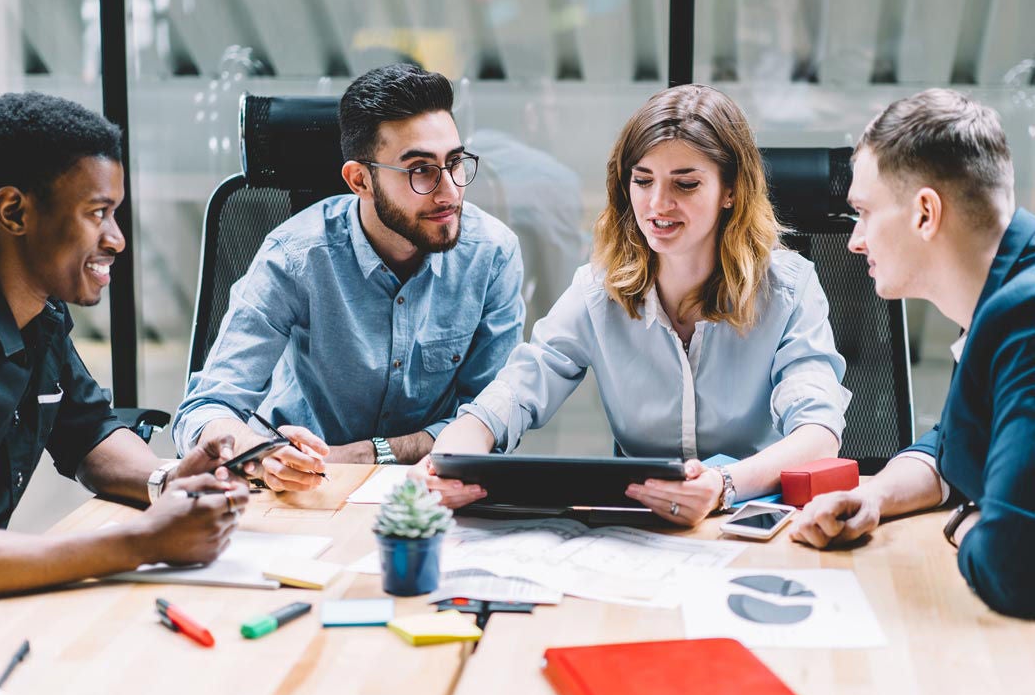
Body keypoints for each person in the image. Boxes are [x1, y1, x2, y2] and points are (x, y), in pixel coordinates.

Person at [420, 84, 850, 526]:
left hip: (754, 522)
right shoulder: (597, 291)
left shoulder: (788, 288)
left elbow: (818, 434)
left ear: (731, 191)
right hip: (642, 532)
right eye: (642, 181)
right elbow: (513, 394)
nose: (658, 204)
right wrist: (448, 460)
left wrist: (722, 484)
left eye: (685, 184)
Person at [172, 63, 525, 490]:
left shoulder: (492, 254)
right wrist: (259, 455)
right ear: (360, 180)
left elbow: (491, 418)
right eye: (420, 170)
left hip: (423, 489)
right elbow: (204, 409)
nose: (449, 190)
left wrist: (370, 453)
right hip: (298, 488)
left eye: (454, 162)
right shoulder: (295, 257)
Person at [0, 92, 250, 600]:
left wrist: (169, 478)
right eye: (97, 213)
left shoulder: (38, 313)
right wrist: (139, 542)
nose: (117, 239)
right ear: (13, 212)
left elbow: (87, 430)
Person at [789, 89, 1035, 618]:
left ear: (925, 213)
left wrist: (965, 520)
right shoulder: (1002, 296)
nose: (854, 241)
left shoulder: (1026, 318)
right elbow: (958, 436)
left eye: (864, 212)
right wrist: (875, 497)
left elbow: (1013, 566)